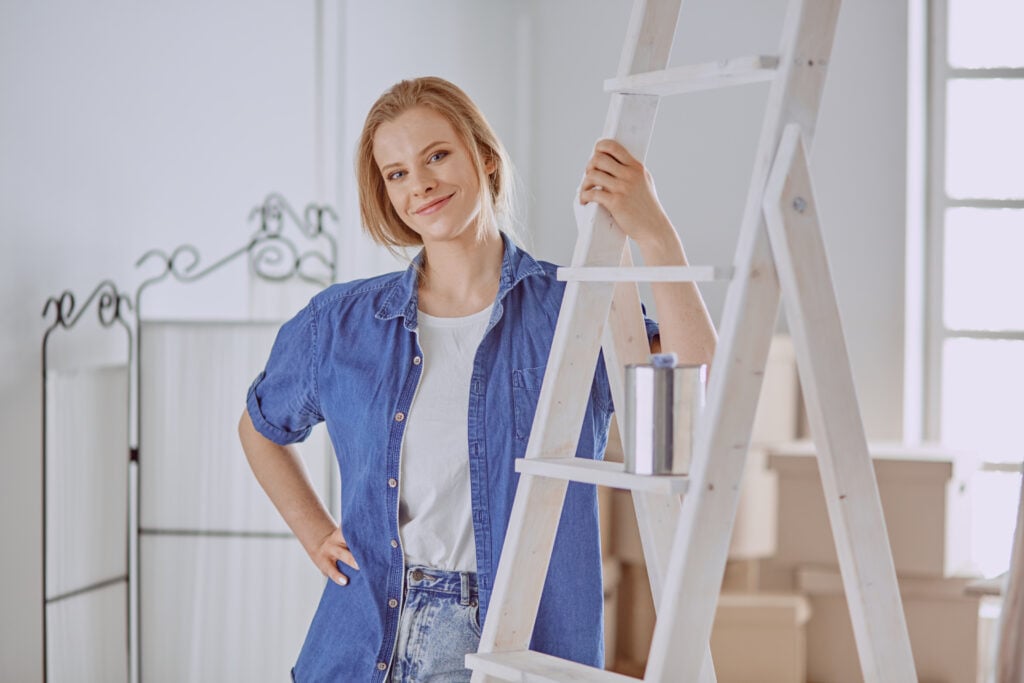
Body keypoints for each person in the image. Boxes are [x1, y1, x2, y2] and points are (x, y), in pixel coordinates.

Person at [238, 76, 715, 683]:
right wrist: (315, 532)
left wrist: (655, 233)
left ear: (484, 157)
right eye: (397, 173)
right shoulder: (340, 323)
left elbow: (690, 409)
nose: (422, 184)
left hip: (522, 644)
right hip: (363, 646)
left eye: (436, 155)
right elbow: (260, 429)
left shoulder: (573, 310)